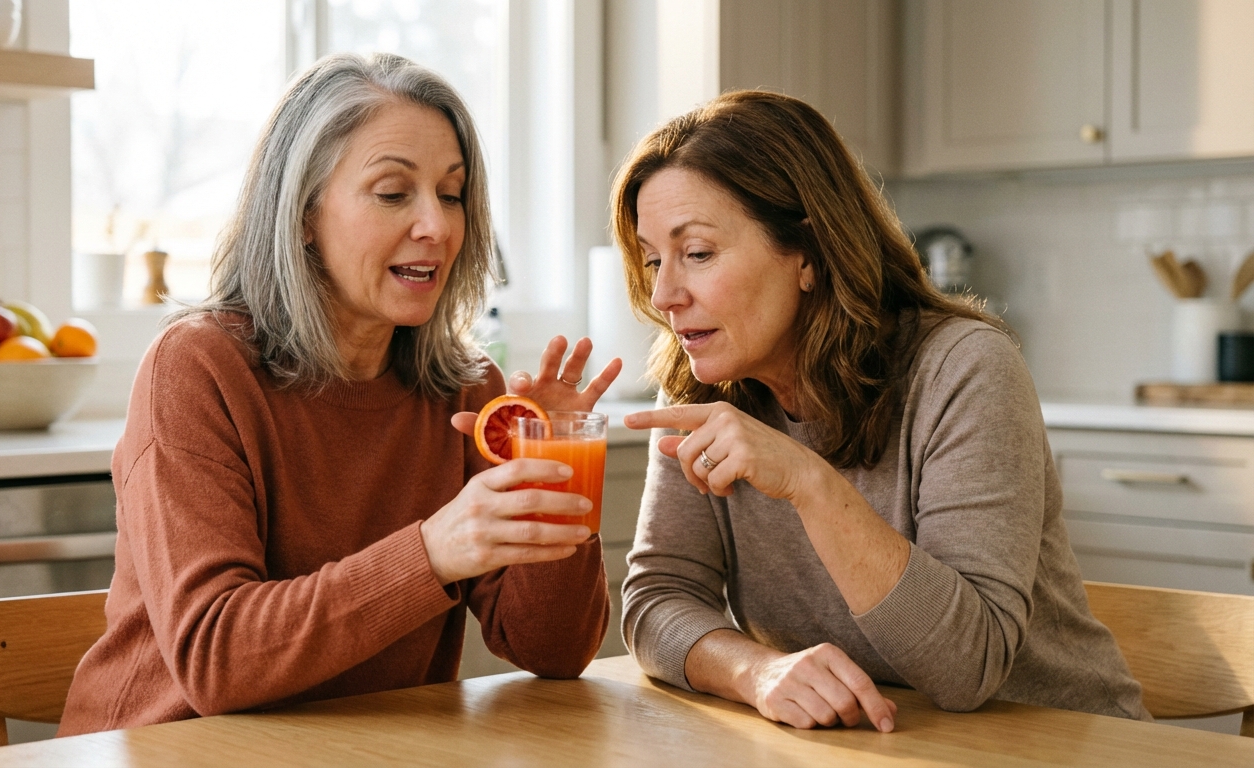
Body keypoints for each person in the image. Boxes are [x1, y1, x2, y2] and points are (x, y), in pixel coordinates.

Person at [59, 53, 619, 734]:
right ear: (301, 215)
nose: (437, 227)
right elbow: (216, 659)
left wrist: (557, 488)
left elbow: (552, 651)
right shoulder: (198, 368)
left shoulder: (467, 391)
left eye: (451, 193)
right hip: (174, 747)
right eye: (392, 193)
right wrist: (433, 551)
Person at [614, 90, 1148, 733]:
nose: (665, 294)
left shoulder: (964, 369)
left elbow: (966, 669)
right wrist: (755, 672)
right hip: (879, 748)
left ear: (807, 252)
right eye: (651, 260)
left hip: (1063, 744)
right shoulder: (701, 384)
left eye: (697, 253)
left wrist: (809, 484)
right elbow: (656, 600)